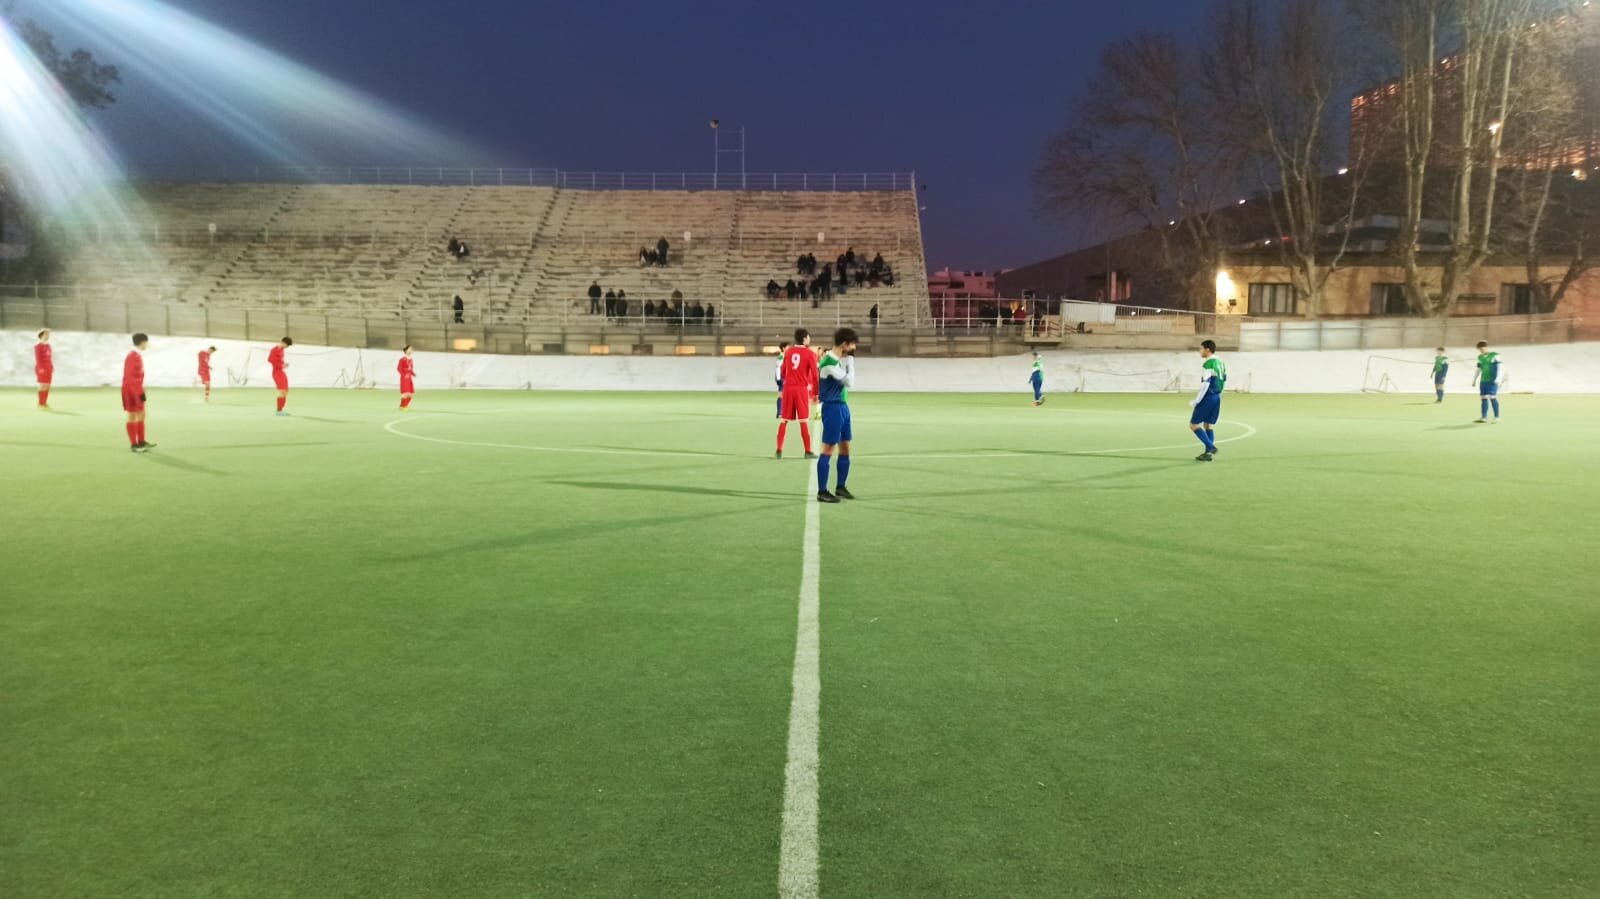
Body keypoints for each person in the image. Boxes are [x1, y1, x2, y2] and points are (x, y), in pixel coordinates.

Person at [815, 327, 859, 503]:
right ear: (844, 344)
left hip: (842, 406)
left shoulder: (838, 360)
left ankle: (840, 486)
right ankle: (822, 491)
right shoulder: (828, 363)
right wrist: (851, 362)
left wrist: (847, 361)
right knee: (828, 448)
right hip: (832, 408)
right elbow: (849, 382)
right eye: (852, 344)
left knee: (845, 447)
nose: (853, 348)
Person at [777, 328, 818, 459]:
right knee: (803, 421)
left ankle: (779, 450)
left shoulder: (788, 352)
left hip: (788, 388)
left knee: (784, 420)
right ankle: (807, 451)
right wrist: (816, 393)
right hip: (801, 389)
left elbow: (783, 371)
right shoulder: (810, 354)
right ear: (805, 338)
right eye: (809, 337)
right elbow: (815, 376)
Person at [1188, 339, 1226, 461]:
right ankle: (1207, 455)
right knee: (1207, 424)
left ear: (1207, 350)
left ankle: (1211, 447)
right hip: (1217, 397)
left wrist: (1197, 400)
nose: (1200, 351)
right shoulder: (1221, 362)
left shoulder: (1209, 364)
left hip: (1208, 397)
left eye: (1201, 349)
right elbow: (1224, 379)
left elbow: (1205, 384)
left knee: (1193, 425)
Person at [123, 333, 154, 452]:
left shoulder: (136, 355)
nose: (148, 344)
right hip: (131, 389)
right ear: (142, 342)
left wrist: (141, 390)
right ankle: (134, 444)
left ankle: (141, 441)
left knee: (142, 414)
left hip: (136, 388)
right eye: (147, 342)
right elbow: (130, 377)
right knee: (132, 415)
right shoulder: (132, 355)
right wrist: (137, 393)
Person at [1473, 341, 1504, 423]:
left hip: (1492, 380)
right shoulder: (1480, 357)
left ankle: (1497, 417)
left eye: (1482, 349)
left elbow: (1500, 368)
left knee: (1492, 397)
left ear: (1486, 347)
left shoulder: (1495, 355)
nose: (1481, 350)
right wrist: (1474, 379)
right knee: (1483, 398)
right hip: (1483, 380)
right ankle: (1484, 417)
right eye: (1479, 349)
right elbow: (1478, 369)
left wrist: (1498, 379)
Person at [269, 337, 293, 416]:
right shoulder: (275, 350)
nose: (287, 347)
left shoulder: (281, 350)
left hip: (281, 372)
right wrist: (281, 366)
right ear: (284, 343)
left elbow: (279, 361)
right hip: (277, 372)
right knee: (282, 391)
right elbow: (270, 359)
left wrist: (283, 365)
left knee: (285, 391)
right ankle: (278, 411)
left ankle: (281, 410)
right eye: (287, 345)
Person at [34, 329, 52, 410]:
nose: (47, 336)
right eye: (46, 334)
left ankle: (44, 402)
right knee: (42, 385)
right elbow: (38, 358)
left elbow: (49, 357)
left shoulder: (48, 346)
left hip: (48, 368)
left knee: (48, 385)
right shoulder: (38, 346)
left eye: (48, 334)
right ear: (41, 335)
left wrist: (51, 366)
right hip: (41, 368)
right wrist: (40, 368)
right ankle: (40, 403)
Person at [774, 341, 790, 419]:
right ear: (783, 348)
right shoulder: (782, 356)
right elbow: (778, 368)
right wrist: (779, 378)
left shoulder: (784, 356)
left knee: (783, 395)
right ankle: (780, 413)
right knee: (781, 395)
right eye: (787, 347)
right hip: (781, 377)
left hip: (783, 377)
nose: (789, 348)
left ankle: (781, 412)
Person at [398, 344, 416, 410]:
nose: (411, 350)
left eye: (412, 349)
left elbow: (410, 368)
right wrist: (403, 375)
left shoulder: (411, 360)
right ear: (406, 350)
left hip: (409, 379)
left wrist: (413, 374)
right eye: (410, 349)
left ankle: (404, 405)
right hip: (404, 378)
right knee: (405, 393)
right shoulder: (402, 359)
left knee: (410, 394)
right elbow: (399, 368)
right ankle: (403, 406)